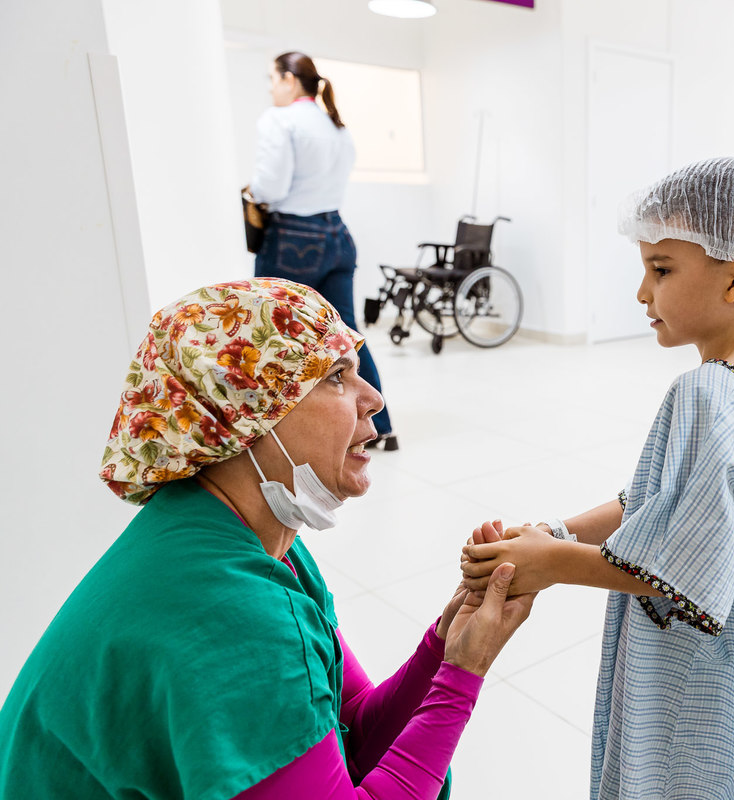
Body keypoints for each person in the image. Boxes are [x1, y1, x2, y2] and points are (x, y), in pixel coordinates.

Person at [0, 279, 533, 799]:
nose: (372, 397)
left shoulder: (250, 539)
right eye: (335, 376)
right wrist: (464, 676)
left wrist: (443, 646)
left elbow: (350, 726)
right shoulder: (230, 610)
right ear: (247, 413)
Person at [460, 157, 734, 799]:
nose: (641, 292)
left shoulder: (707, 392)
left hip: (697, 695)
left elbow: (685, 570)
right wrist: (557, 531)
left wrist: (549, 563)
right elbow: (666, 503)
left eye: (661, 270)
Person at [249, 51, 398, 452]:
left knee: (275, 335)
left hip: (292, 238)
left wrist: (252, 192)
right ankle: (379, 426)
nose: (270, 88)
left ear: (289, 80)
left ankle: (276, 437)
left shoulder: (278, 120)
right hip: (336, 234)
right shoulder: (337, 127)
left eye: (272, 79)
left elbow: (271, 187)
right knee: (347, 336)